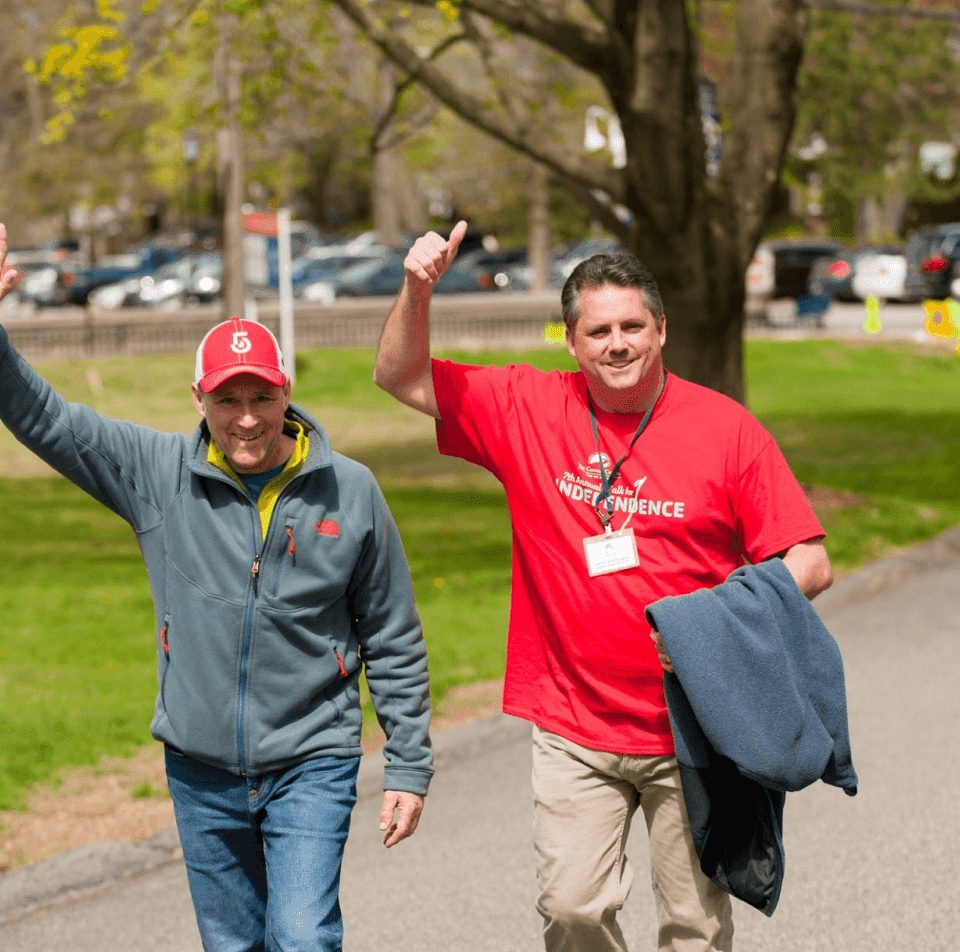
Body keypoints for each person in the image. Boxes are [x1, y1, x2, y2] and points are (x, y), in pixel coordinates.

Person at [374, 220, 832, 952]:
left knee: (694, 923)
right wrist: (416, 290)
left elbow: (808, 558)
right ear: (570, 341)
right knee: (572, 907)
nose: (615, 344)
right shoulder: (524, 407)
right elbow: (400, 376)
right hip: (571, 720)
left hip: (696, 722)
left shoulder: (726, 429)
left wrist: (715, 625)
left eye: (631, 326)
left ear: (661, 330)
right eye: (597, 332)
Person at [0, 222, 432, 952]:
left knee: (300, 937)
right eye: (226, 400)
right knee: (233, 947)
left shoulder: (349, 491)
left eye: (260, 397)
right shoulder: (157, 475)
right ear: (197, 399)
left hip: (312, 756)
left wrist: (409, 763)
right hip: (201, 769)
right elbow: (44, 419)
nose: (246, 419)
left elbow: (391, 632)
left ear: (285, 393)